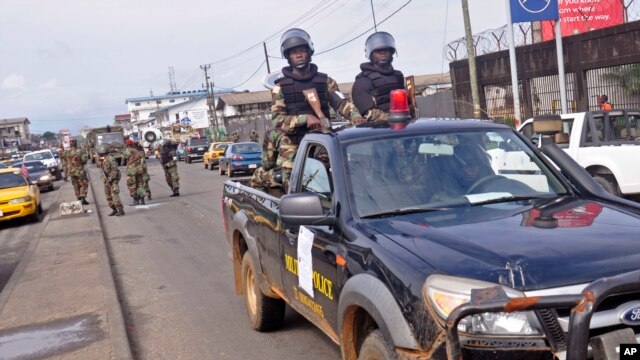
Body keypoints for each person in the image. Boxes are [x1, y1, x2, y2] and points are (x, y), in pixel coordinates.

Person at [271, 28, 365, 189]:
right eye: (294, 52)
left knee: (344, 175)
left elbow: (341, 103)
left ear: (309, 52)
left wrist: (355, 115)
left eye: (302, 50)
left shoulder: (325, 81)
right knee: (294, 184)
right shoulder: (280, 88)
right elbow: (278, 121)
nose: (299, 55)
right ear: (288, 56)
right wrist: (304, 119)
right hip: (293, 142)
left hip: (323, 137)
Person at [352, 31, 406, 121]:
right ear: (371, 55)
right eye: (378, 51)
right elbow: (367, 112)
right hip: (378, 130)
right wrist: (390, 118)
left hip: (404, 126)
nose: (382, 53)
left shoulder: (398, 77)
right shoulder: (363, 81)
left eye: (385, 50)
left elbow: (408, 105)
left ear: (391, 52)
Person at [97, 144, 124, 216]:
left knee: (114, 194)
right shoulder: (103, 159)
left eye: (101, 153)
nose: (100, 155)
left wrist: (110, 179)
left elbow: (115, 170)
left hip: (113, 178)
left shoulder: (111, 159)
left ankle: (120, 210)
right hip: (106, 179)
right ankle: (114, 209)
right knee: (108, 195)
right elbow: (102, 168)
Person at [63, 139, 90, 205]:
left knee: (75, 185)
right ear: (76, 143)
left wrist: (66, 173)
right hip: (80, 171)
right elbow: (84, 161)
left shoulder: (66, 152)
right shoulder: (81, 151)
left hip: (71, 172)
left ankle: (78, 197)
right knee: (84, 184)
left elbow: (65, 162)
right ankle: (83, 197)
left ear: (70, 144)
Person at [122, 139, 146, 205]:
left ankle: (136, 200)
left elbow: (123, 162)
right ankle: (142, 200)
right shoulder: (137, 151)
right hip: (139, 169)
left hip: (131, 170)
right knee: (140, 184)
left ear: (127, 145)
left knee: (131, 185)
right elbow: (142, 159)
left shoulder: (126, 151)